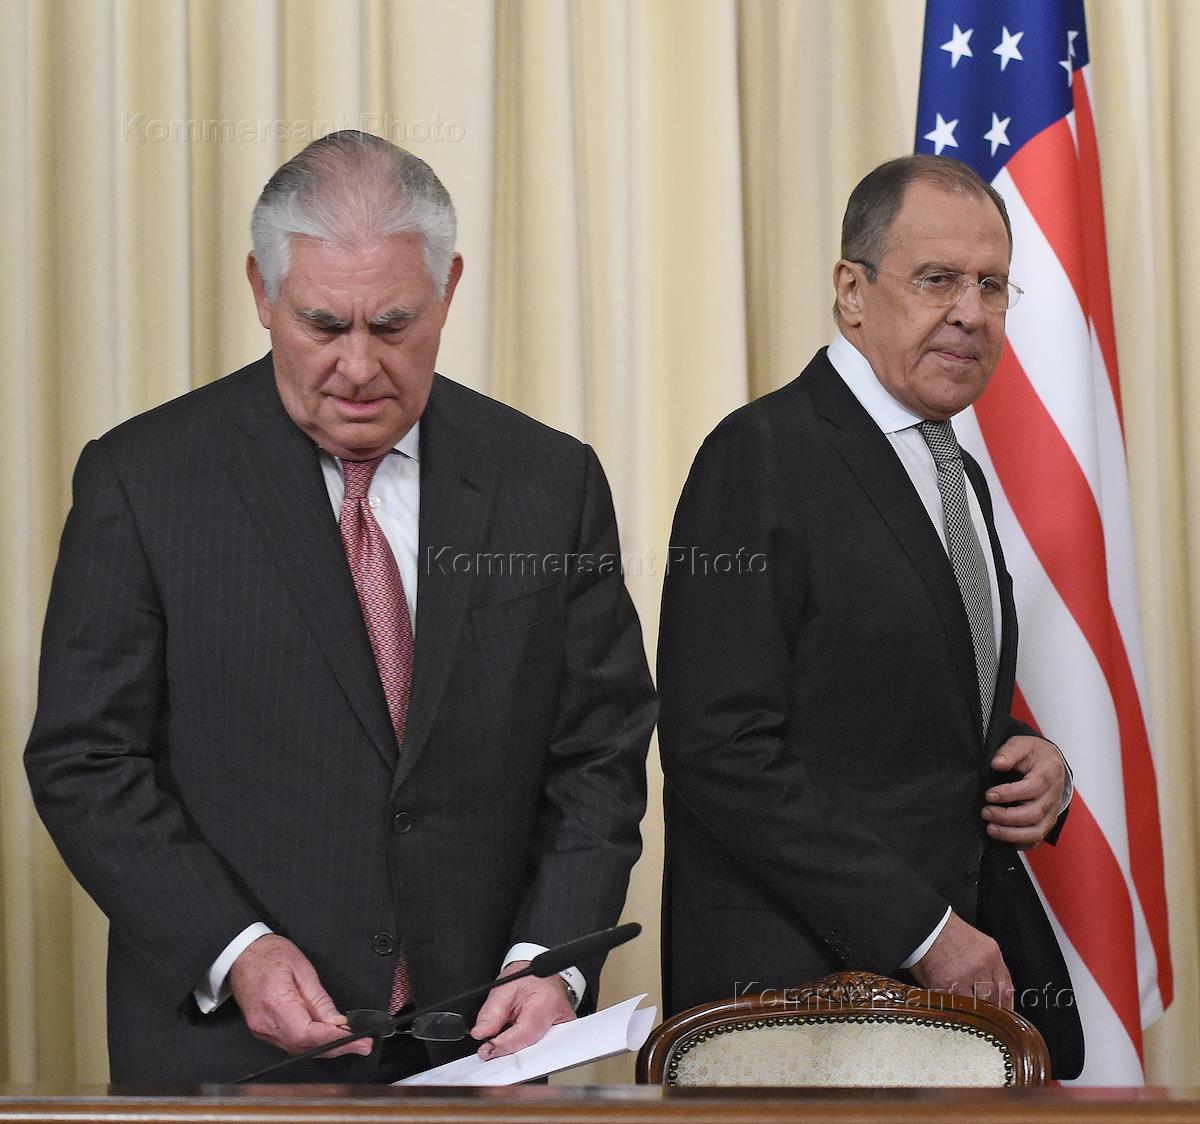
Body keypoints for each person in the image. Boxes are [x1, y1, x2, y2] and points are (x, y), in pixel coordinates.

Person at [25, 131, 655, 1084]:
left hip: (480, 1052)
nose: (359, 367)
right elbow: (87, 758)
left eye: (393, 326)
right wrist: (234, 948)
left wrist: (550, 960)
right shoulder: (144, 480)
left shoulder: (549, 481)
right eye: (323, 325)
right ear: (261, 291)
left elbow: (599, 747)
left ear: (448, 289)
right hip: (226, 1061)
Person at [657, 155, 1084, 1078]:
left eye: (992, 286)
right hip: (792, 1007)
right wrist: (922, 929)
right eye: (937, 279)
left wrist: (1033, 757)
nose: (970, 312)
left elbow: (901, 697)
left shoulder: (956, 471)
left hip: (946, 1016)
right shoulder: (759, 453)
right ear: (851, 291)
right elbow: (717, 747)